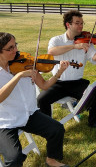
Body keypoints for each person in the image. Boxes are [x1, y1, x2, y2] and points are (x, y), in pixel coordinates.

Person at [37, 10, 96, 129]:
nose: (81, 26)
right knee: (42, 99)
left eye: (82, 23)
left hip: (77, 83)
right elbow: (51, 52)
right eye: (77, 23)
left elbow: (95, 58)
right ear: (68, 25)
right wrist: (75, 46)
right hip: (58, 82)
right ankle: (48, 126)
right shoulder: (56, 40)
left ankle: (93, 121)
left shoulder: (87, 41)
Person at [0, 32, 70, 167]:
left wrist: (59, 72)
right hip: (5, 121)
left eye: (15, 45)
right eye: (10, 48)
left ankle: (52, 160)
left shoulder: (25, 64)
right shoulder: (19, 71)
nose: (16, 50)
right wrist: (19, 76)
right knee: (14, 158)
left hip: (28, 114)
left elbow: (44, 85)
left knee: (57, 129)